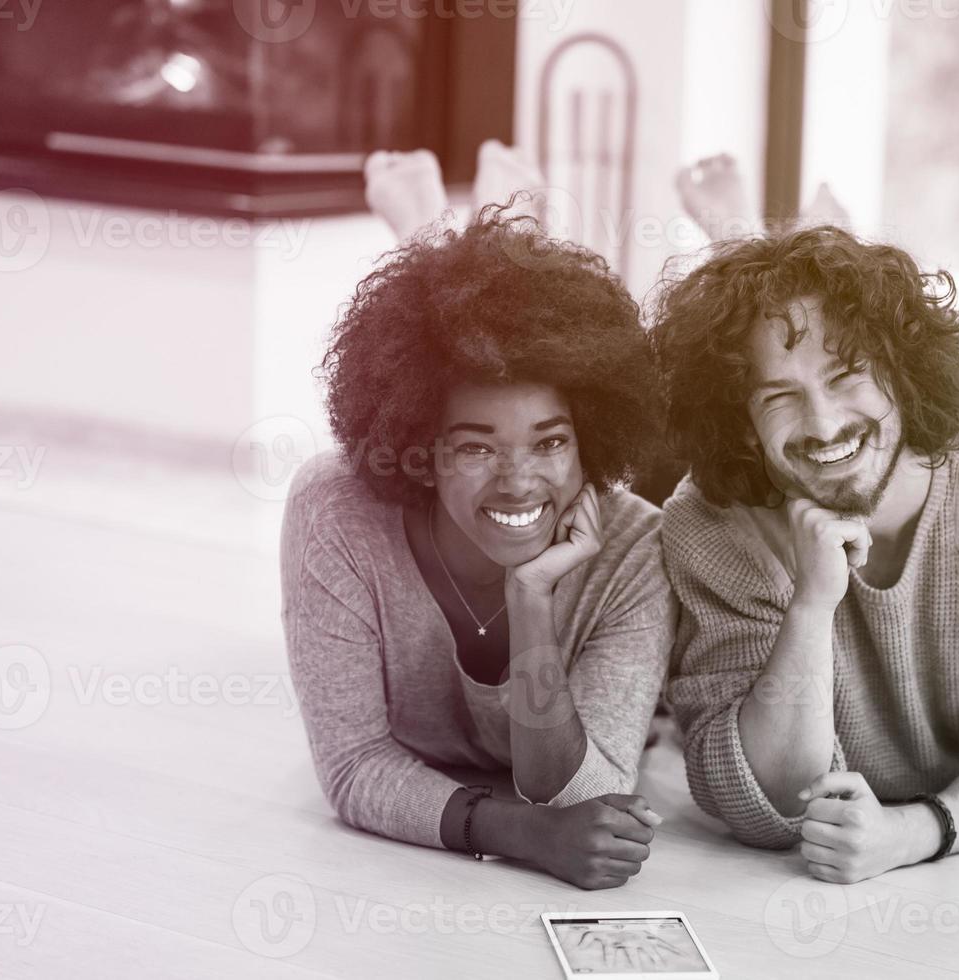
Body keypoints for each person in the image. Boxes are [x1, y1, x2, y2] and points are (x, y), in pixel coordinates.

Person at [651, 211, 959, 884]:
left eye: (845, 377)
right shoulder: (710, 522)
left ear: (901, 372)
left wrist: (910, 832)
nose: (822, 422)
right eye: (778, 396)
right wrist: (809, 607)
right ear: (743, 427)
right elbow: (767, 803)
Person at [280, 147, 675, 890]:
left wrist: (531, 598)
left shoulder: (635, 548)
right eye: (475, 447)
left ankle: (470, 223)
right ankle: (450, 223)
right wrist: (519, 833)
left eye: (551, 441)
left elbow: (582, 795)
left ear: (588, 438)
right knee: (456, 325)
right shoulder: (333, 508)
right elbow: (353, 765)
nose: (520, 478)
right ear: (422, 451)